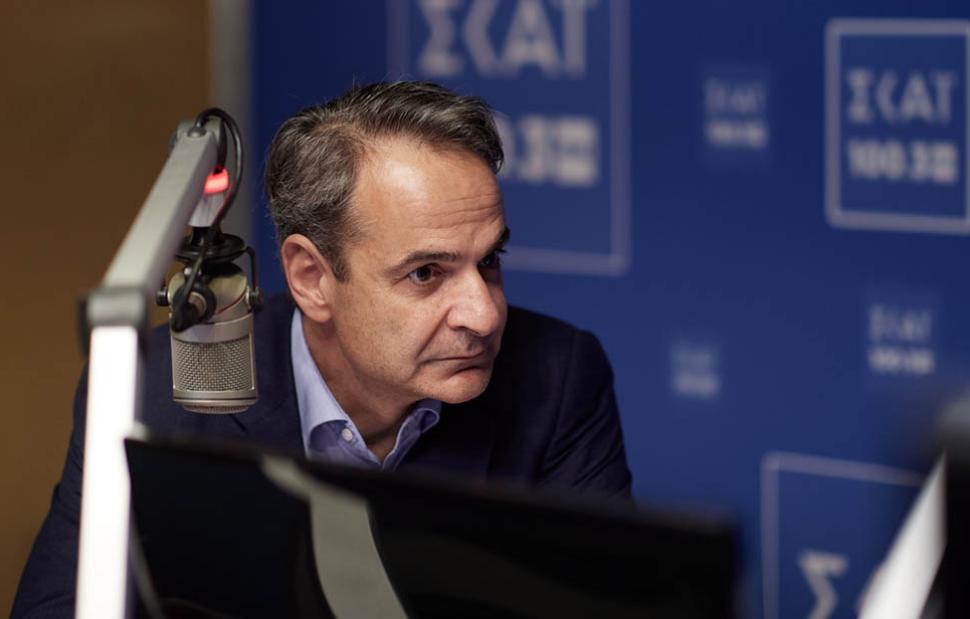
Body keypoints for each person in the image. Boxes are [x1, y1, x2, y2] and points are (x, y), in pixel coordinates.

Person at [13, 81, 631, 616]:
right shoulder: (151, 390)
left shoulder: (558, 378)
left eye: (489, 260)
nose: (485, 313)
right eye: (425, 274)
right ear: (311, 278)